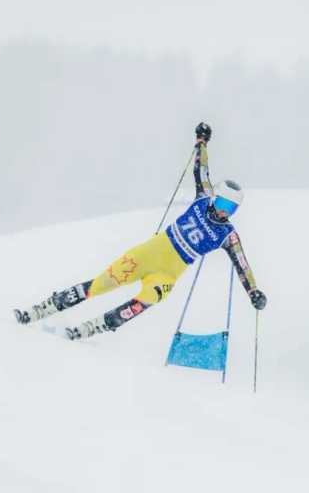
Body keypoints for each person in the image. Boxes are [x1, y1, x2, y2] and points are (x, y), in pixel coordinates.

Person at [14, 122, 267, 340]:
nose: (225, 212)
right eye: (223, 204)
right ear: (215, 198)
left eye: (231, 209)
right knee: (100, 284)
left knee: (152, 297)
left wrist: (253, 292)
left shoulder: (228, 234)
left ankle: (96, 327)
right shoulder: (203, 199)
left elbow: (242, 265)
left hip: (169, 272)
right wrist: (202, 141)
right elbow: (200, 170)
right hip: (148, 254)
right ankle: (41, 310)